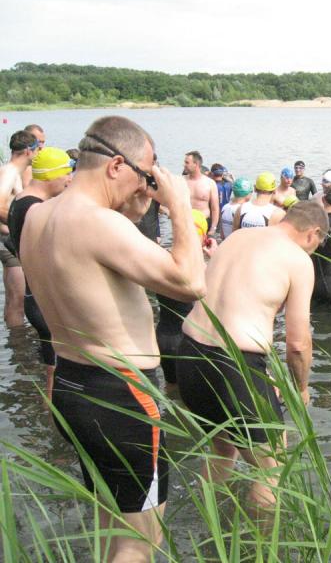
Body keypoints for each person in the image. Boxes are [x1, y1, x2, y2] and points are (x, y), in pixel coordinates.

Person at [21, 116, 206, 561]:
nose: (146, 186)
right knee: (140, 542)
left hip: (71, 384)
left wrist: (134, 209)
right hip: (123, 395)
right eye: (144, 175)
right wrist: (180, 206)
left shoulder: (36, 216)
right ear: (116, 165)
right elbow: (190, 283)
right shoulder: (99, 223)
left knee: (110, 524)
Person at [176, 201, 328, 507]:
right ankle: (262, 538)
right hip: (236, 364)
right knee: (271, 469)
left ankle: (209, 522)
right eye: (317, 244)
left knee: (222, 449)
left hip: (190, 353)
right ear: (313, 233)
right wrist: (300, 388)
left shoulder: (238, 237)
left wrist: (264, 373)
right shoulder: (298, 260)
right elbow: (298, 344)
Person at [7, 147, 73, 397]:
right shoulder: (36, 209)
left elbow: (12, 243)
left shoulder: (20, 201)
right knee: (57, 370)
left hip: (33, 295)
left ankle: (47, 411)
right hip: (44, 299)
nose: (69, 180)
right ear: (51, 175)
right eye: (66, 173)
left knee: (52, 366)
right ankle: (52, 413)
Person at [157, 210, 212, 387]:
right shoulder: (204, 270)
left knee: (170, 389)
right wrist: (215, 259)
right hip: (188, 342)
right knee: (190, 395)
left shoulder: (160, 260)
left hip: (164, 338)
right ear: (204, 238)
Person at [0, 130, 38, 327]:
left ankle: (14, 339)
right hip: (8, 240)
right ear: (29, 151)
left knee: (13, 298)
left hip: (8, 240)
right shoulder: (9, 172)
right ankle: (18, 341)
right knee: (18, 300)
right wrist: (20, 224)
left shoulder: (13, 172)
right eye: (38, 149)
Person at [184, 150, 220, 236]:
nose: (184, 165)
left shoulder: (210, 183)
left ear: (196, 164)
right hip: (185, 222)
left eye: (187, 162)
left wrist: (213, 228)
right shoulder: (181, 181)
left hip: (203, 222)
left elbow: (215, 208)